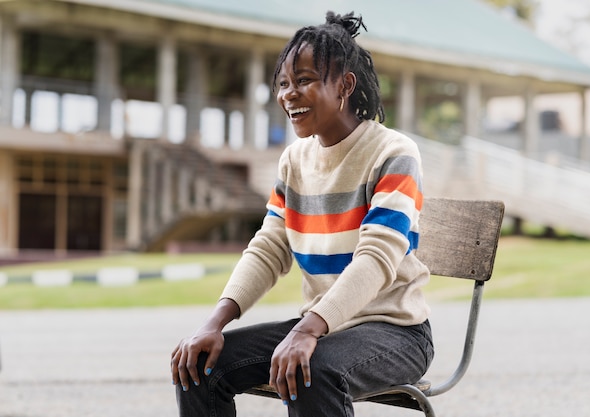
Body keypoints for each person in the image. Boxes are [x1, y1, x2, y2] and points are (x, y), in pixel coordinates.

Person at [171, 11, 434, 417]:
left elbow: (376, 259)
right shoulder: (294, 160)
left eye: (305, 80)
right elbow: (269, 247)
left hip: (396, 333)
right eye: (283, 84)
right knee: (201, 367)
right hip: (321, 328)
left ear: (345, 85)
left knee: (309, 368)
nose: (289, 94)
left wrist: (308, 329)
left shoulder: (393, 154)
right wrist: (214, 324)